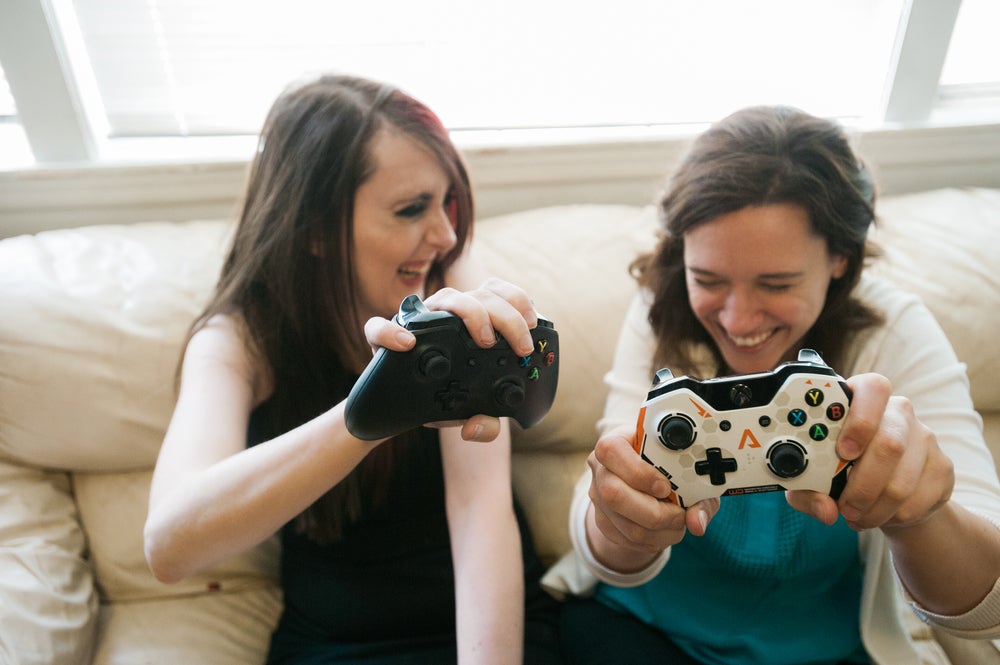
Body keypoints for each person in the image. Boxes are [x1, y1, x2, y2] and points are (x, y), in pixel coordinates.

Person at [553, 106, 1000, 664]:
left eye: (777, 283)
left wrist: (921, 516)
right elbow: (600, 549)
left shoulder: (893, 335)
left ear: (840, 258)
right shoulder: (660, 311)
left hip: (823, 649)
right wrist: (620, 520)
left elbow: (988, 608)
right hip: (645, 630)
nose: (739, 322)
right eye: (708, 280)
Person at [143, 74, 563, 664]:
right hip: (338, 643)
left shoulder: (455, 283)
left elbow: (480, 511)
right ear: (314, 229)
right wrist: (374, 408)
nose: (444, 235)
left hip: (482, 627)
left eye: (447, 201)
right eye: (411, 209)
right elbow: (168, 547)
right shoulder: (239, 339)